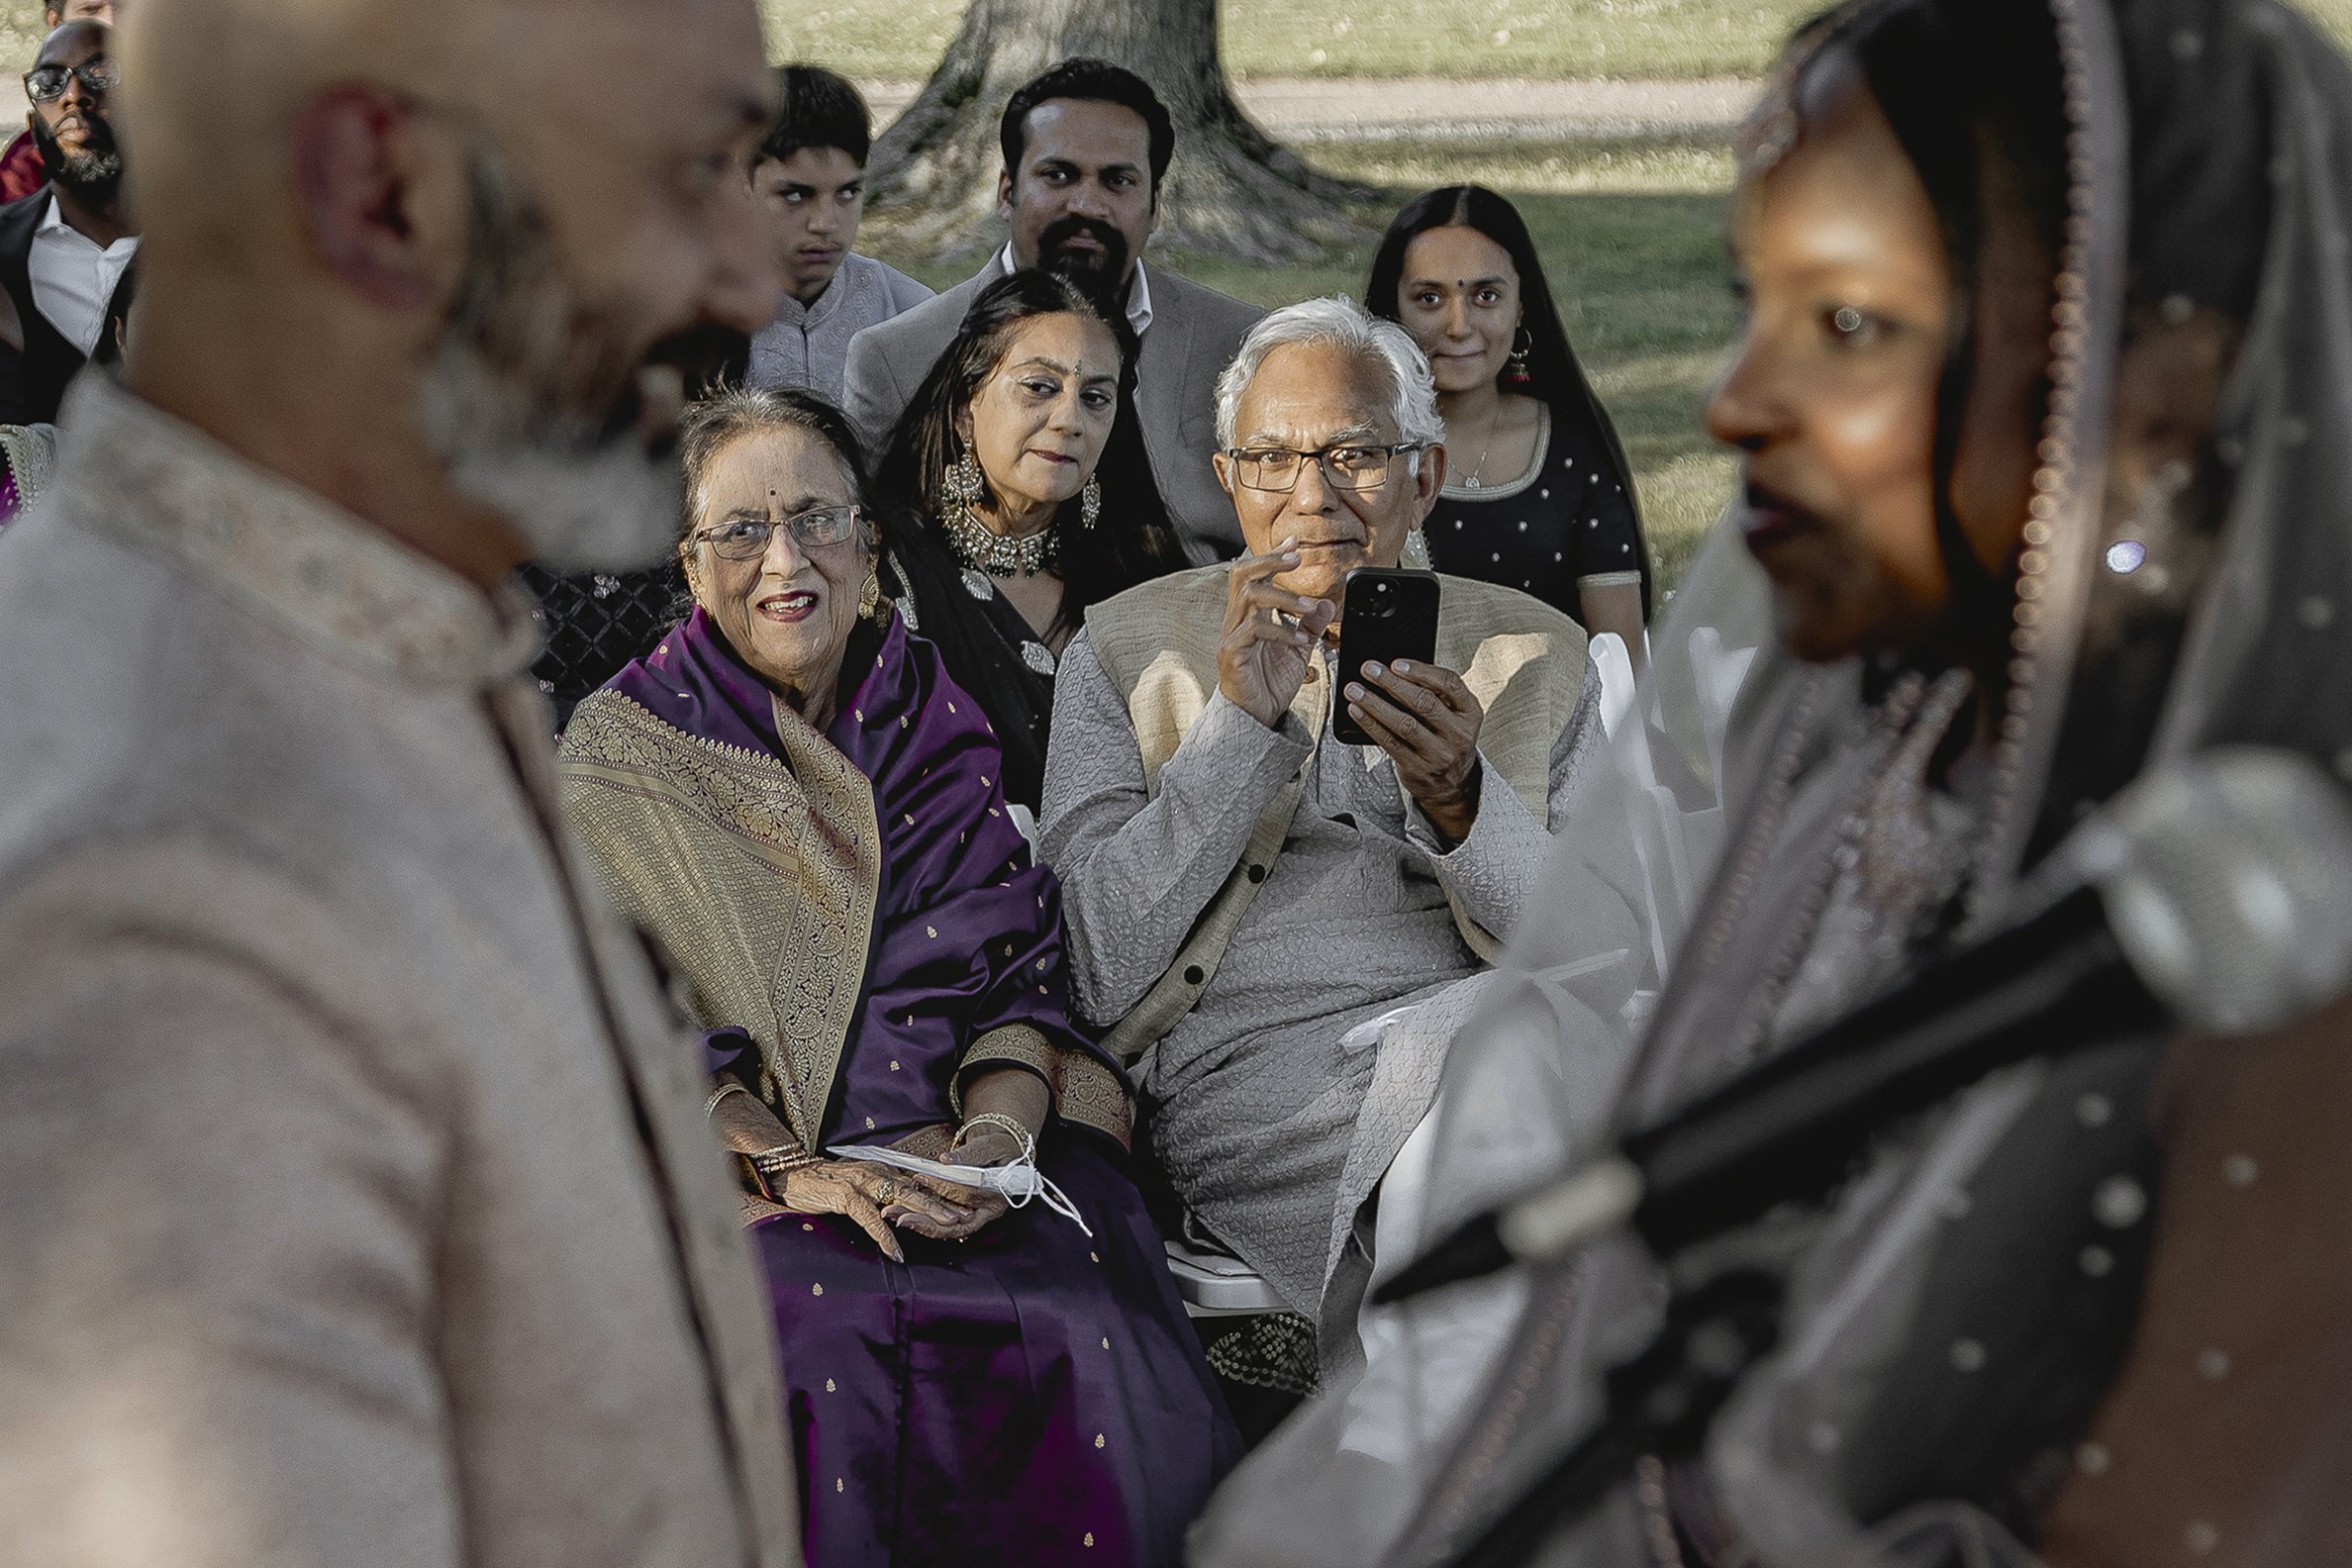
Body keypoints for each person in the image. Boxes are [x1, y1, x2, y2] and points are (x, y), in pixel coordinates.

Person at [1195, 0, 2352, 1562]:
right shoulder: (1875, 748)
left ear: (2152, 385)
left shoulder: (2272, 928)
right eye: (1752, 304)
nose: (1734, 401)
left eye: (1852, 323)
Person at [0, 0, 804, 1562]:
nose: (752, 279)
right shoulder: (172, 900)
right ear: (384, 190)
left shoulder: (381, 629)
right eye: (694, 170)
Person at [557, 388, 1236, 1567]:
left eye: (820, 520)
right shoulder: (622, 756)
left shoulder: (928, 713)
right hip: (743, 1176)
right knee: (816, 1340)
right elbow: (621, 1033)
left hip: (961, 1160)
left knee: (1086, 1328)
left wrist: (997, 1149)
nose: (786, 560)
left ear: (870, 546)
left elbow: (1014, 986)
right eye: (742, 531)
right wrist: (797, 1171)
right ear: (689, 562)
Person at [1038, 297, 1603, 1427]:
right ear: (1224, 476)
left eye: (1354, 454)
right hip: (1259, 1081)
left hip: (1492, 1039)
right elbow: (1092, 963)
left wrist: (1463, 801)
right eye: (1273, 458)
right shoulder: (1120, 650)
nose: (1312, 497)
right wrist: (1235, 729)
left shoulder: (1539, 652)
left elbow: (1597, 944)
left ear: (1425, 476)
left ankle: (1407, 1463)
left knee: (1506, 1066)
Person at [843, 58, 1262, 563]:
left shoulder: (1241, 345)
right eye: (1058, 175)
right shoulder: (899, 358)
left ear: (1155, 205)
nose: (1086, 204)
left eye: (1117, 181)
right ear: (1007, 191)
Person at [872, 268, 1187, 812]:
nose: (1069, 420)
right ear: (966, 410)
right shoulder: (885, 570)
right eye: (1040, 388)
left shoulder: (1140, 580)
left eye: (1095, 398)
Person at [1368, 184, 1651, 649]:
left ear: (1522, 305)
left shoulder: (1571, 451)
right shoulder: (1357, 449)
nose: (1459, 327)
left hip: (1558, 716)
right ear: (1392, 308)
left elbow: (1622, 666)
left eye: (1485, 296)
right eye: (1429, 299)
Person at [744, 64, 931, 404]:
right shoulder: (689, 322)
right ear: (743, 188)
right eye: (796, 195)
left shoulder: (912, 316)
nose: (825, 223)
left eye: (847, 193)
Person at [0, 18, 136, 425]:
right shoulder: (2, 251)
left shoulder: (204, 252)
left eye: (101, 75)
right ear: (31, 124)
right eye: (49, 82)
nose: (74, 97)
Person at [0, 0, 114, 204]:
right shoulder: (23, 170)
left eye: (128, 9)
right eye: (92, 9)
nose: (112, 20)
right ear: (55, 21)